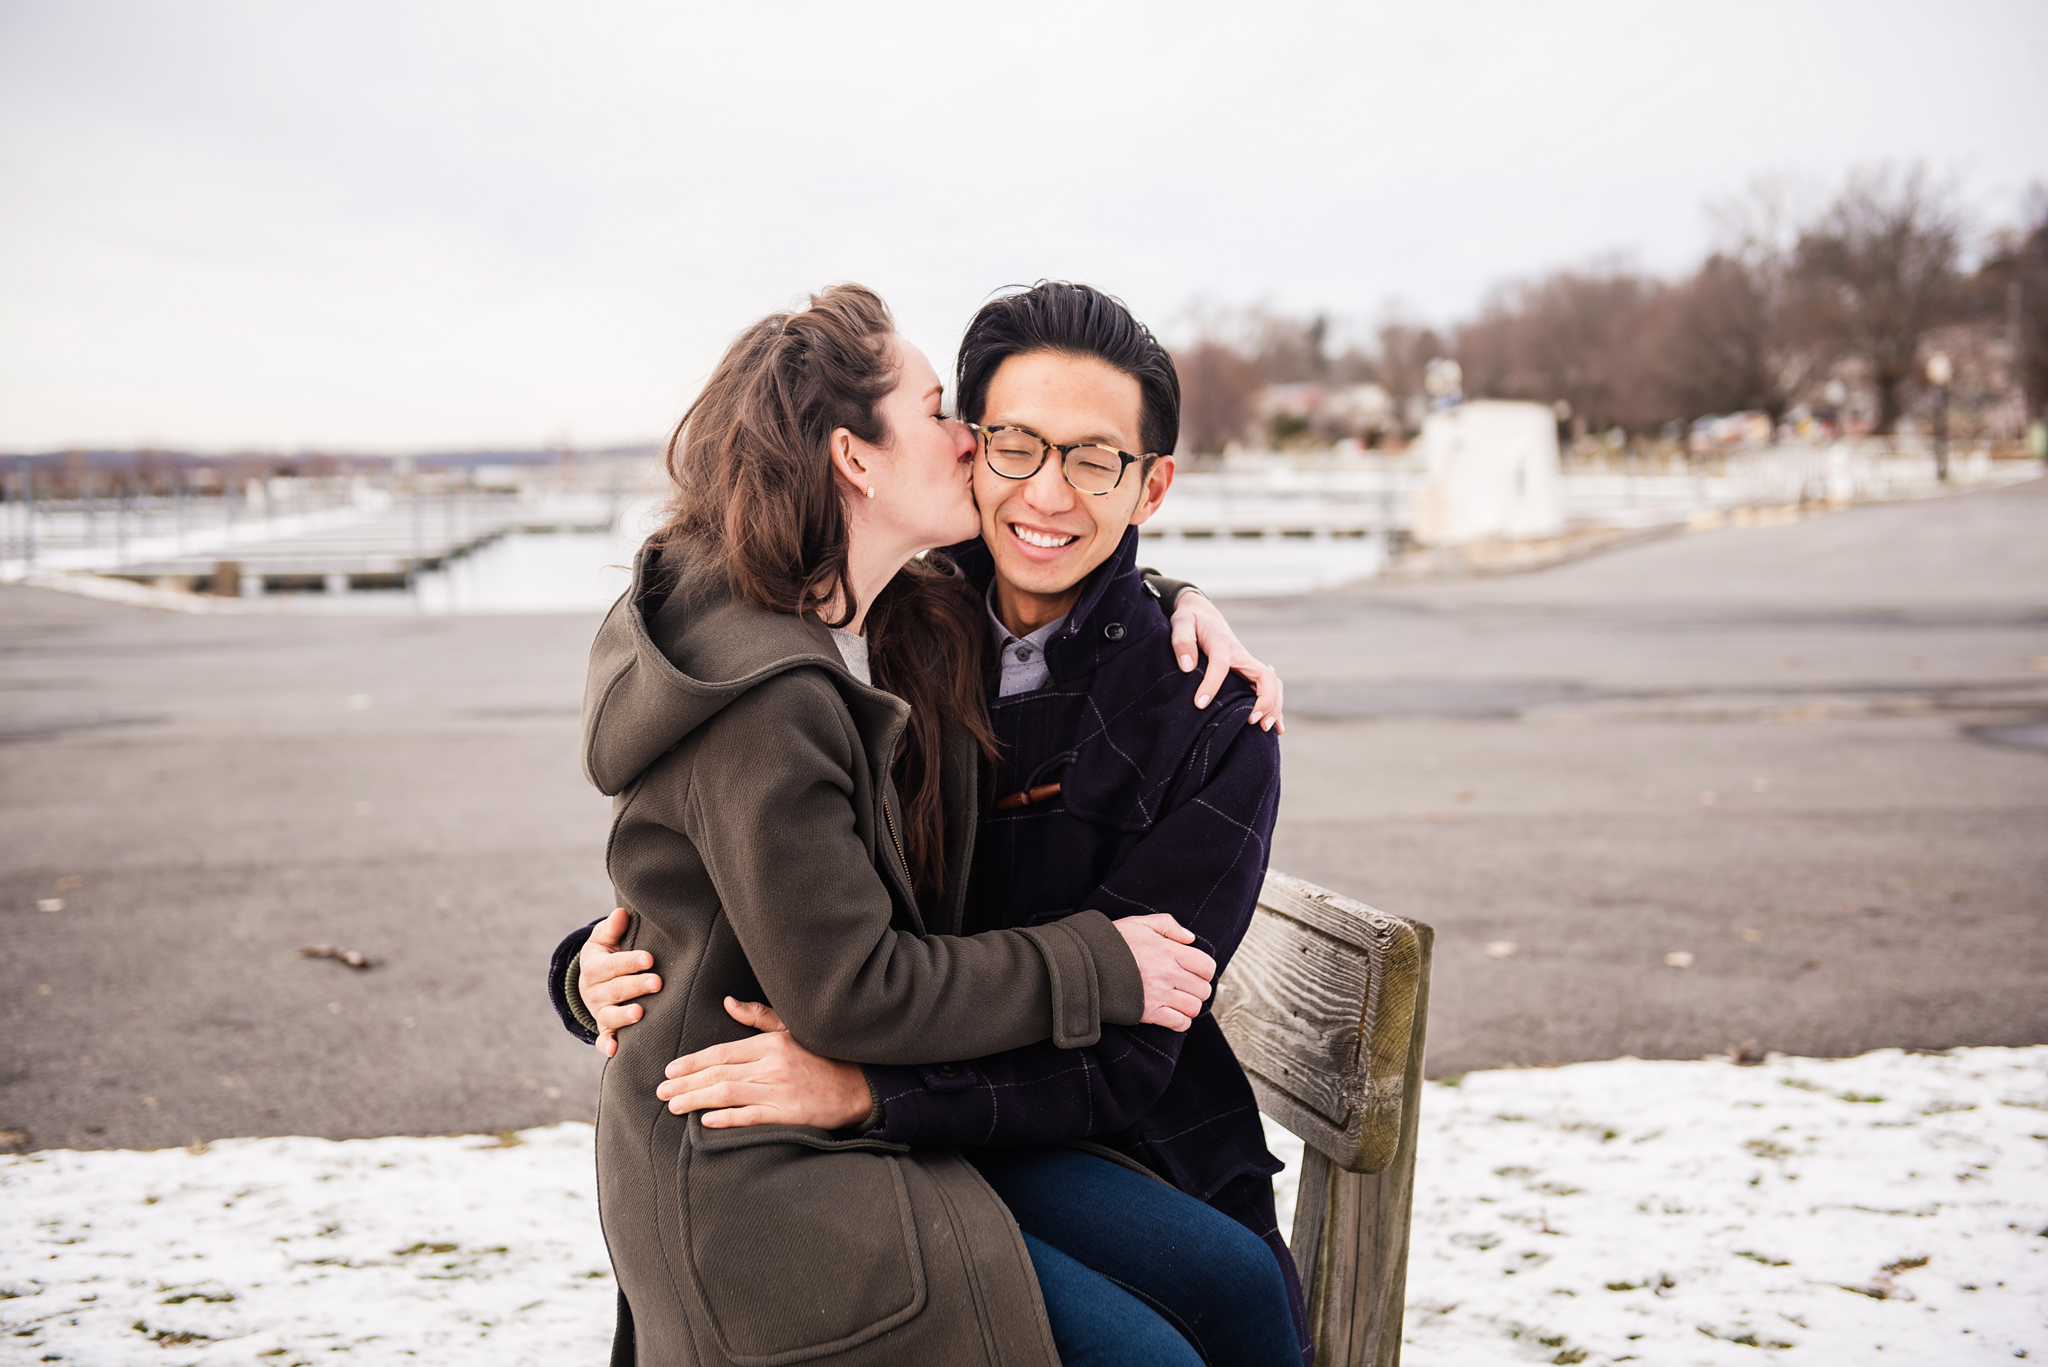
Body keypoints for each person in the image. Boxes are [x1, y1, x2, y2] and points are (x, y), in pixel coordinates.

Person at [565, 283, 1310, 1365]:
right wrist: (594, 964)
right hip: (868, 1119)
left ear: (1151, 483)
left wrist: (872, 1091)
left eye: (1093, 459)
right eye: (1007, 440)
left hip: (1101, 1122)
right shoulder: (902, 622)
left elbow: (1132, 1041)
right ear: (957, 446)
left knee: (1239, 1289)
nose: (1042, 489)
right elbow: (738, 855)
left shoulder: (1209, 714)